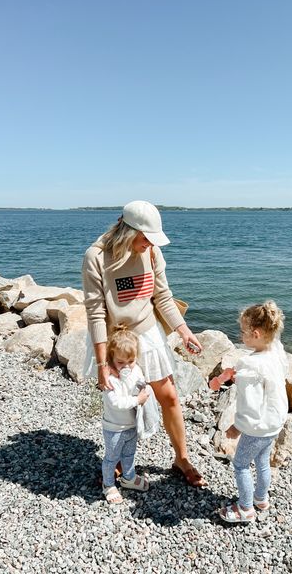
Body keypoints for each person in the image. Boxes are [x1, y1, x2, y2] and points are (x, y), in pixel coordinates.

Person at [82, 200, 207, 487]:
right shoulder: (96, 257)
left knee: (170, 396)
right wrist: (103, 364)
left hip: (148, 333)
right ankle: (116, 460)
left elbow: (163, 296)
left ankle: (181, 458)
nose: (149, 243)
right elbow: (96, 312)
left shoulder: (152, 252)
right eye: (146, 237)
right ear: (128, 230)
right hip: (115, 340)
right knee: (119, 404)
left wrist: (184, 330)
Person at [217, 300, 289, 523]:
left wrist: (237, 426)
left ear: (256, 334)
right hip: (274, 422)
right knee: (262, 462)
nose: (241, 337)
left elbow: (250, 405)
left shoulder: (250, 364)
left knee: (240, 465)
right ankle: (261, 498)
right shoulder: (276, 351)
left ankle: (245, 508)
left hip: (257, 426)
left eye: (243, 332)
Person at [101, 324, 150, 504]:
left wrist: (145, 389)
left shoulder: (136, 369)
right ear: (112, 358)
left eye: (131, 361)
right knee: (111, 457)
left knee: (129, 454)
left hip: (131, 424)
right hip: (114, 428)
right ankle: (108, 484)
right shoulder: (109, 379)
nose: (126, 366)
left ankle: (128, 477)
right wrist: (138, 400)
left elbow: (141, 382)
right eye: (121, 362)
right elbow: (116, 403)